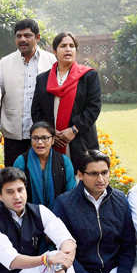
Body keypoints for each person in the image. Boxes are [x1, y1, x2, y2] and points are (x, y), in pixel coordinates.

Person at [53, 150, 136, 273]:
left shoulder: (120, 200)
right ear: (80, 175)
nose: (101, 179)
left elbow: (128, 246)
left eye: (104, 173)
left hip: (114, 272)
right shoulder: (64, 204)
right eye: (94, 174)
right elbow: (64, 254)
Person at [31, 32, 101, 171]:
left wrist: (74, 130)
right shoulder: (43, 79)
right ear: (55, 51)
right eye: (63, 46)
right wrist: (50, 133)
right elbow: (36, 111)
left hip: (80, 140)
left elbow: (93, 108)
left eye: (72, 46)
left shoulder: (88, 76)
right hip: (50, 141)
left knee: (82, 179)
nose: (68, 49)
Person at [0, 19, 57, 167]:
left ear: (37, 37)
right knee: (13, 179)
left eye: (27, 35)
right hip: (14, 134)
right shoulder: (4, 64)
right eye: (19, 36)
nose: (22, 39)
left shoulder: (52, 62)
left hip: (44, 135)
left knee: (42, 179)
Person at [14, 121, 76, 208]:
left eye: (44, 138)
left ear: (53, 140)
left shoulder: (64, 162)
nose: (39, 142)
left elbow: (71, 194)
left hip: (59, 214)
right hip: (29, 213)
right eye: (35, 138)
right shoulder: (21, 162)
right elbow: (16, 193)